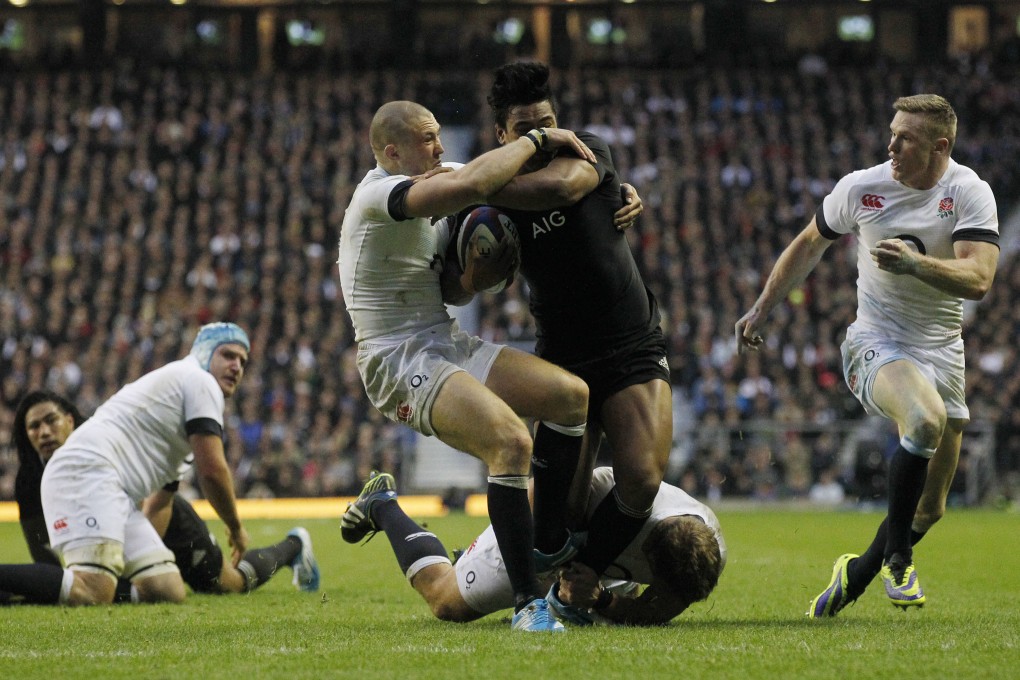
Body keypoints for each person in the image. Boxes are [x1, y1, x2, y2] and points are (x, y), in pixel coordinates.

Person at [336, 100, 598, 632]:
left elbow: (451, 291)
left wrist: (615, 192)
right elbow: (469, 185)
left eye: (439, 136)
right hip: (394, 357)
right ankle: (529, 604)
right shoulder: (377, 194)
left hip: (440, 337)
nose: (440, 148)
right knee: (511, 442)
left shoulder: (438, 179)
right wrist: (541, 139)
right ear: (393, 152)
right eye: (428, 139)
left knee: (572, 397)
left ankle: (545, 544)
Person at [734, 94, 999, 616]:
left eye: (906, 138)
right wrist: (762, 308)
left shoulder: (969, 192)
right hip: (876, 340)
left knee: (933, 508)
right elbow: (810, 242)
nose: (891, 145)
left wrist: (915, 265)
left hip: (944, 350)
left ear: (940, 147)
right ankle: (898, 561)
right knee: (925, 421)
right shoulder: (862, 187)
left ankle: (854, 576)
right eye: (892, 132)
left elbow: (980, 278)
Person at [479, 62, 673, 579]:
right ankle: (517, 562)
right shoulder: (489, 198)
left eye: (548, 123)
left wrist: (474, 185)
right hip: (564, 357)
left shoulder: (586, 149)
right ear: (502, 135)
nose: (543, 139)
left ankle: (585, 575)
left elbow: (563, 189)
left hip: (630, 341)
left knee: (643, 479)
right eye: (527, 132)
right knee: (558, 509)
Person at [33, 323, 285, 606]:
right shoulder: (199, 381)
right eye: (228, 355)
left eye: (242, 361)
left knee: (166, 588)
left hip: (114, 490)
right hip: (84, 472)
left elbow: (159, 504)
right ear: (204, 353)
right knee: (94, 591)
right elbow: (212, 471)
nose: (236, 366)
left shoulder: (179, 398)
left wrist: (134, 554)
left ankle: (55, 588)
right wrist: (236, 528)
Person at [341, 466, 725, 626]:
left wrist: (601, 600)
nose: (668, 596)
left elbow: (659, 608)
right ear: (649, 555)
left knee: (603, 616)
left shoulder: (703, 553)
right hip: (546, 542)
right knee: (446, 602)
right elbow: (531, 499)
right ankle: (384, 504)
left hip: (599, 570)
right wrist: (533, 575)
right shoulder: (607, 492)